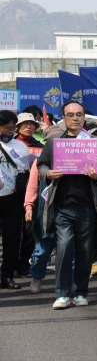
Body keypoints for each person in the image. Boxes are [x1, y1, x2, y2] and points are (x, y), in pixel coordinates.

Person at [37, 101, 97, 309]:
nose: (75, 118)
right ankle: (61, 293)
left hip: (87, 205)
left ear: (84, 117)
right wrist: (47, 174)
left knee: (85, 250)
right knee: (64, 247)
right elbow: (41, 164)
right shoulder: (53, 142)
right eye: (70, 115)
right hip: (62, 205)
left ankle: (80, 292)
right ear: (64, 119)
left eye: (79, 114)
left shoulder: (94, 141)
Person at [25, 125, 65, 294]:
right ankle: (36, 275)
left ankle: (66, 284)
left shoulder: (74, 159)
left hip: (68, 207)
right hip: (45, 211)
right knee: (42, 250)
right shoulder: (38, 161)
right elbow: (32, 186)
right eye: (51, 140)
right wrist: (29, 207)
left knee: (68, 248)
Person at [0, 110, 29, 290]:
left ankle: (7, 275)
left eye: (13, 129)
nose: (11, 132)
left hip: (13, 198)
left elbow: (26, 169)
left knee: (12, 239)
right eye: (7, 128)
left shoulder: (20, 146)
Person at [14, 113, 44, 278]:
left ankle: (24, 264)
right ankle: (10, 264)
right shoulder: (9, 144)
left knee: (29, 230)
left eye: (31, 124)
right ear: (17, 127)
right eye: (24, 124)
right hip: (13, 192)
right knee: (12, 232)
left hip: (33, 192)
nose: (29, 127)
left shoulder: (40, 146)